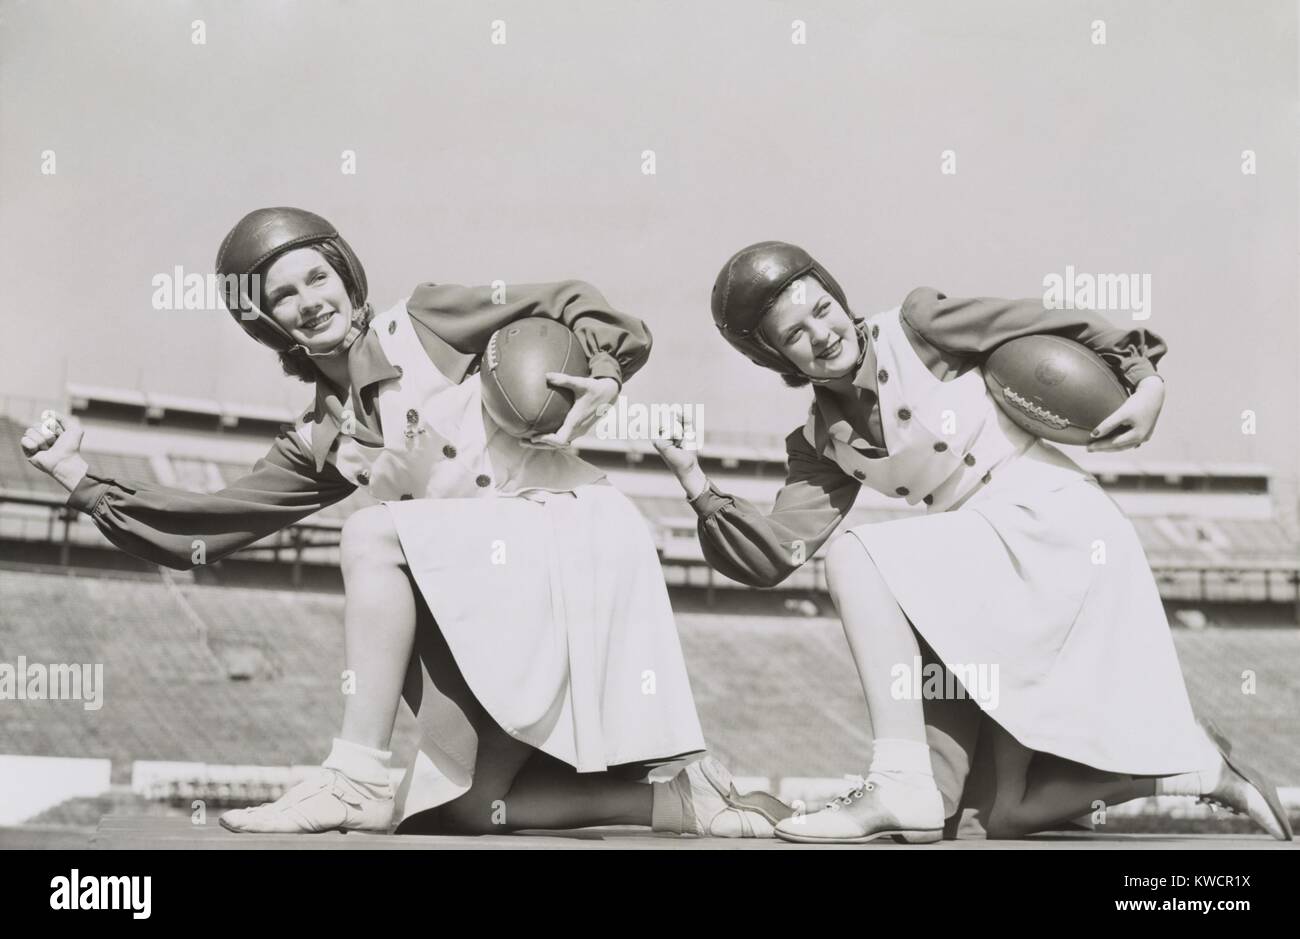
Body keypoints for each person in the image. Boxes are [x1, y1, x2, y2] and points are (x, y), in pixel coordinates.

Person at [21, 207, 790, 838]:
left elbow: (573, 297)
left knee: (371, 531)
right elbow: (207, 526)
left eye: (317, 276)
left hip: (574, 544)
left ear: (347, 277)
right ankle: (678, 801)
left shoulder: (424, 318)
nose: (309, 299)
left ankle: (353, 770)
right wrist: (79, 481)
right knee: (454, 814)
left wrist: (603, 369)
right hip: (496, 605)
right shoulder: (324, 435)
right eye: (283, 296)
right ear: (267, 323)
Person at [652, 240, 1292, 843]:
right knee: (1002, 814)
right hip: (982, 565)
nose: (822, 334)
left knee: (860, 553)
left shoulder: (918, 324)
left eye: (821, 308)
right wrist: (696, 485)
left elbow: (1054, 320)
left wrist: (1146, 379)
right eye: (794, 334)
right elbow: (776, 554)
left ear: (837, 297)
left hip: (1051, 525)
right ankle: (1194, 767)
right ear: (777, 359)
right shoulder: (818, 441)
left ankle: (897, 781)